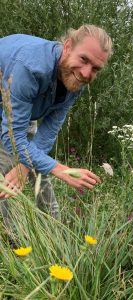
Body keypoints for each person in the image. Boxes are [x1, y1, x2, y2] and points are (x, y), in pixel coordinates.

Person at [0, 25, 112, 228]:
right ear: (67, 46)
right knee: (7, 176)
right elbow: (12, 137)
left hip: (20, 109)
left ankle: (54, 228)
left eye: (96, 69)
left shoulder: (76, 79)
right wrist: (60, 169)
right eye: (84, 59)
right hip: (7, 103)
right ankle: (15, 241)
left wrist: (25, 166)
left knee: (31, 165)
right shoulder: (31, 67)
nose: (87, 73)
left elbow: (48, 132)